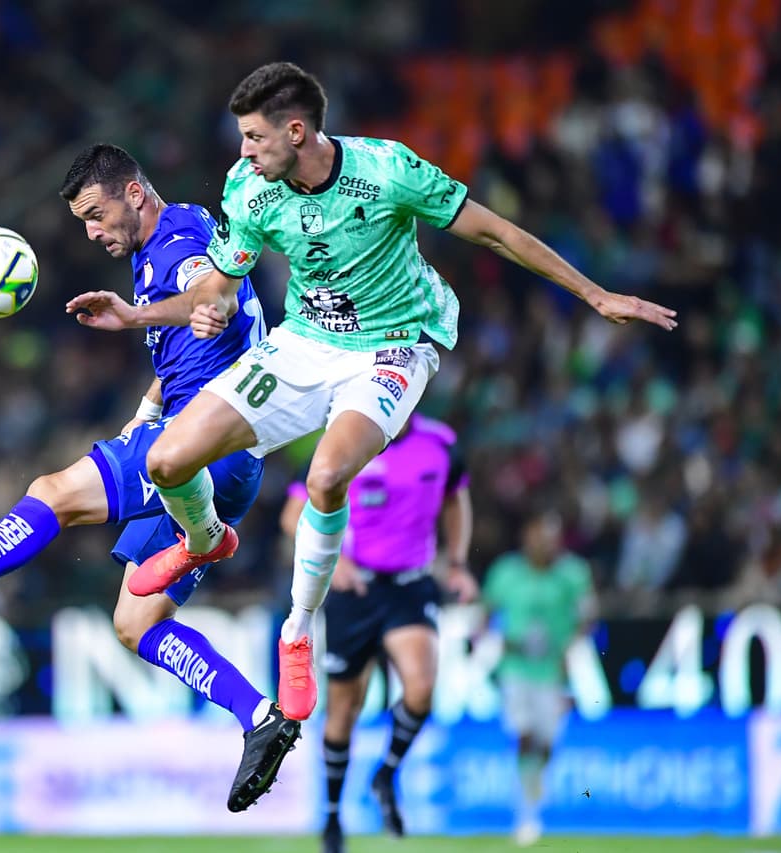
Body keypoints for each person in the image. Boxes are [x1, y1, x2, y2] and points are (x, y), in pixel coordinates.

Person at [67, 61, 676, 721]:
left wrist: (594, 293)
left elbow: (496, 231)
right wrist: (164, 311)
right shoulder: (248, 189)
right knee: (167, 459)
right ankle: (203, 538)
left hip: (395, 343)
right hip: (308, 339)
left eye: (253, 137)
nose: (242, 151)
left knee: (327, 475)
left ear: (295, 131)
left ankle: (297, 629)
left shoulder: (387, 171)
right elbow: (214, 286)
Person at [0, 144, 299, 813]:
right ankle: (261, 716)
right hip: (218, 446)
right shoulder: (184, 229)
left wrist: (137, 316)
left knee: (51, 494)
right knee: (136, 622)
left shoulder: (174, 243)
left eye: (95, 214)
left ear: (135, 192)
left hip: (206, 441)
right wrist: (143, 411)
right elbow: (188, 345)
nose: (91, 232)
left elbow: (214, 301)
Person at [281, 415, 474, 853]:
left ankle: (386, 772)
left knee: (421, 690)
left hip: (409, 585)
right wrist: (336, 561)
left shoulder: (440, 444)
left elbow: (456, 497)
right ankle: (332, 818)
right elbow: (294, 516)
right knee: (344, 711)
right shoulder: (342, 440)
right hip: (354, 589)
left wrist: (458, 562)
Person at [482, 510, 596, 846]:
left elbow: (587, 615)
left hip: (551, 671)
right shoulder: (506, 572)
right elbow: (486, 615)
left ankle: (533, 785)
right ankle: (526, 811)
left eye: (550, 537)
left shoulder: (573, 573)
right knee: (525, 733)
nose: (544, 544)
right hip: (515, 668)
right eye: (538, 536)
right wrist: (502, 639)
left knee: (546, 741)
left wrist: (569, 647)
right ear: (526, 538)